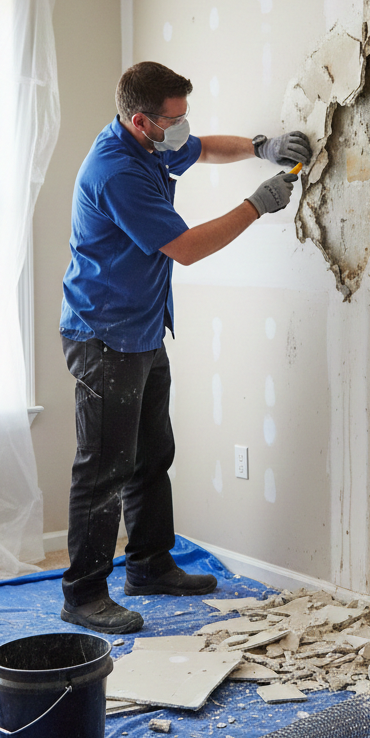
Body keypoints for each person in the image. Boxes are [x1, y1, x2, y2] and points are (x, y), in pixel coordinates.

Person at [58, 61, 312, 634]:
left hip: (143, 328)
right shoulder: (115, 170)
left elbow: (201, 150)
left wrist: (260, 146)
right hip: (104, 337)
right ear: (142, 120)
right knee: (103, 470)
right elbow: (188, 248)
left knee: (151, 455)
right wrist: (257, 204)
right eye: (173, 119)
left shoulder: (150, 143)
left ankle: (148, 564)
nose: (183, 128)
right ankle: (83, 593)